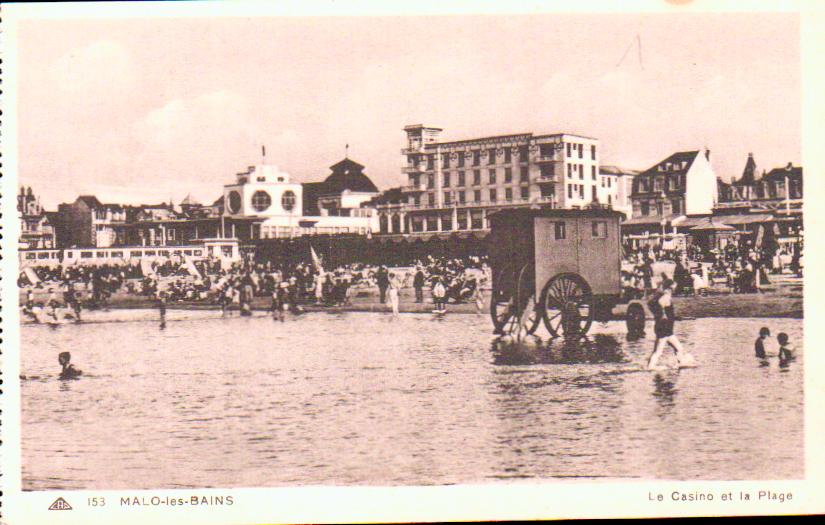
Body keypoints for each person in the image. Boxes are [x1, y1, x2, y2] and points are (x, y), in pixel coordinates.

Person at [646, 278, 687, 369]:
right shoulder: (666, 296)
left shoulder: (661, 295)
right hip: (664, 328)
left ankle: (680, 364)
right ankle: (650, 367)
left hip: (666, 329)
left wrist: (674, 317)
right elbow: (660, 304)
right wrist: (663, 315)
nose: (676, 288)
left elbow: (652, 305)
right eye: (674, 286)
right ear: (670, 287)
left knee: (678, 348)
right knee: (658, 351)